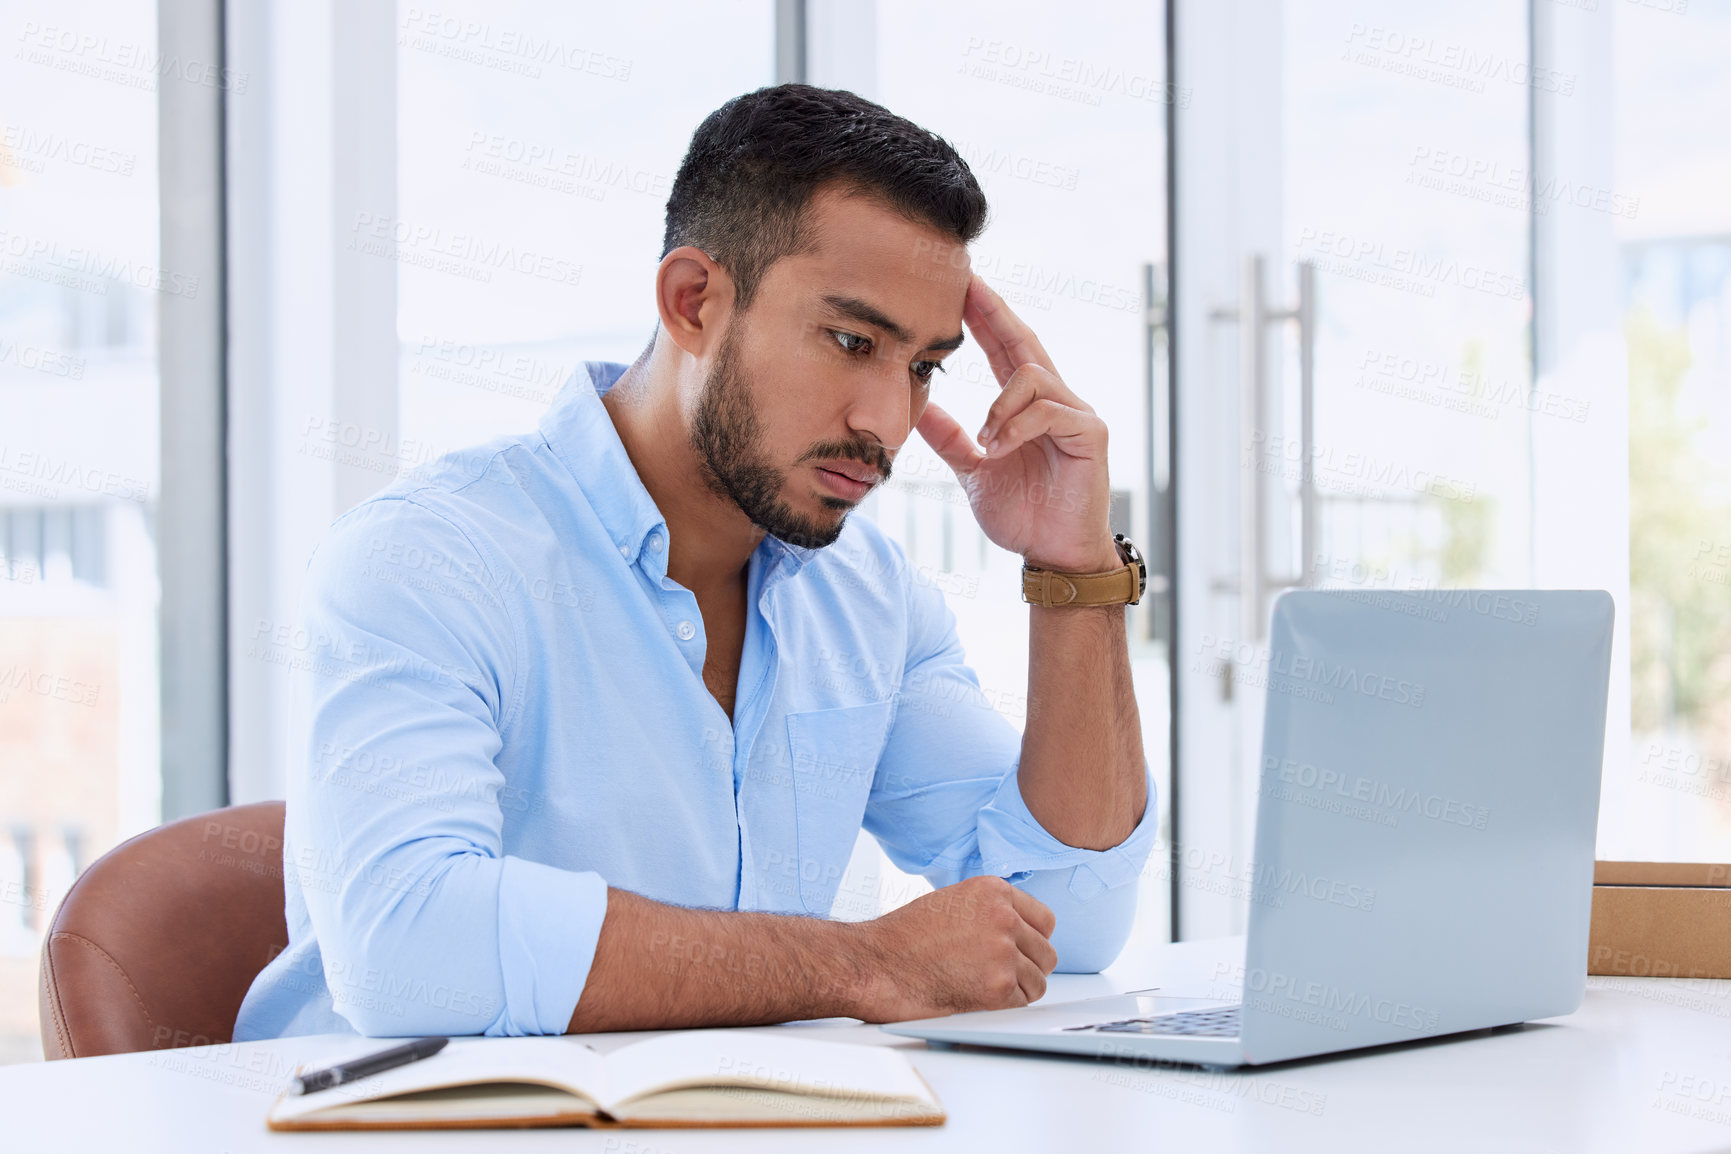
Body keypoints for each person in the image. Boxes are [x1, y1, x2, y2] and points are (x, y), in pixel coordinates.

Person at [233, 83, 1155, 1041]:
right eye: (851, 341)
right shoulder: (431, 557)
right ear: (692, 302)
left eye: (921, 366)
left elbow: (1069, 917)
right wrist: (865, 965)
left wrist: (1073, 571)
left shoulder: (869, 597)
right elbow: (407, 948)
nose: (887, 421)